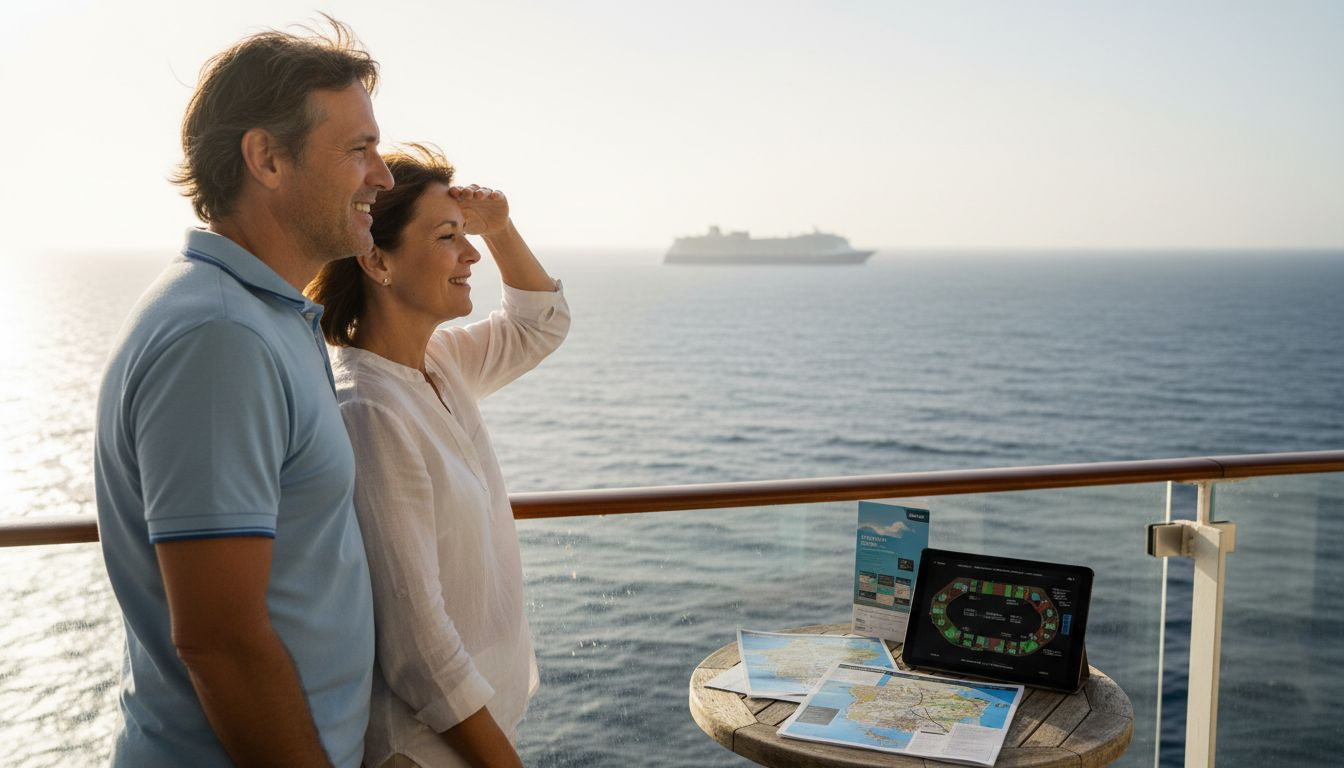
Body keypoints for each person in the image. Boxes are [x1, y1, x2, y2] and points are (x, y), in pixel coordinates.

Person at [93, 20, 392, 768]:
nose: (382, 176)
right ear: (265, 158)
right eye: (358, 149)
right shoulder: (222, 338)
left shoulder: (265, 315)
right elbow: (221, 642)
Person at [305, 144, 569, 768]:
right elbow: (416, 643)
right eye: (449, 237)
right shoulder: (369, 410)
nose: (471, 254)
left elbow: (541, 326)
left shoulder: (438, 363)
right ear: (376, 260)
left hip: (476, 734)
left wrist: (500, 228)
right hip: (429, 751)